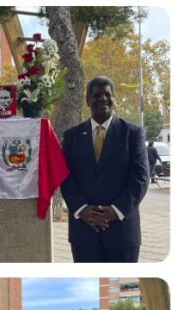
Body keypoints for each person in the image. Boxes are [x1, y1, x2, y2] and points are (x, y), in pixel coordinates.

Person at [60, 76, 149, 263]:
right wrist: (83, 209)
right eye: (96, 95)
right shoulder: (72, 136)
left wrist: (116, 210)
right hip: (84, 233)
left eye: (107, 94)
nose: (102, 99)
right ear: (87, 100)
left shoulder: (132, 134)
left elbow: (140, 178)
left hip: (122, 233)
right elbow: (66, 178)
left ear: (114, 99)